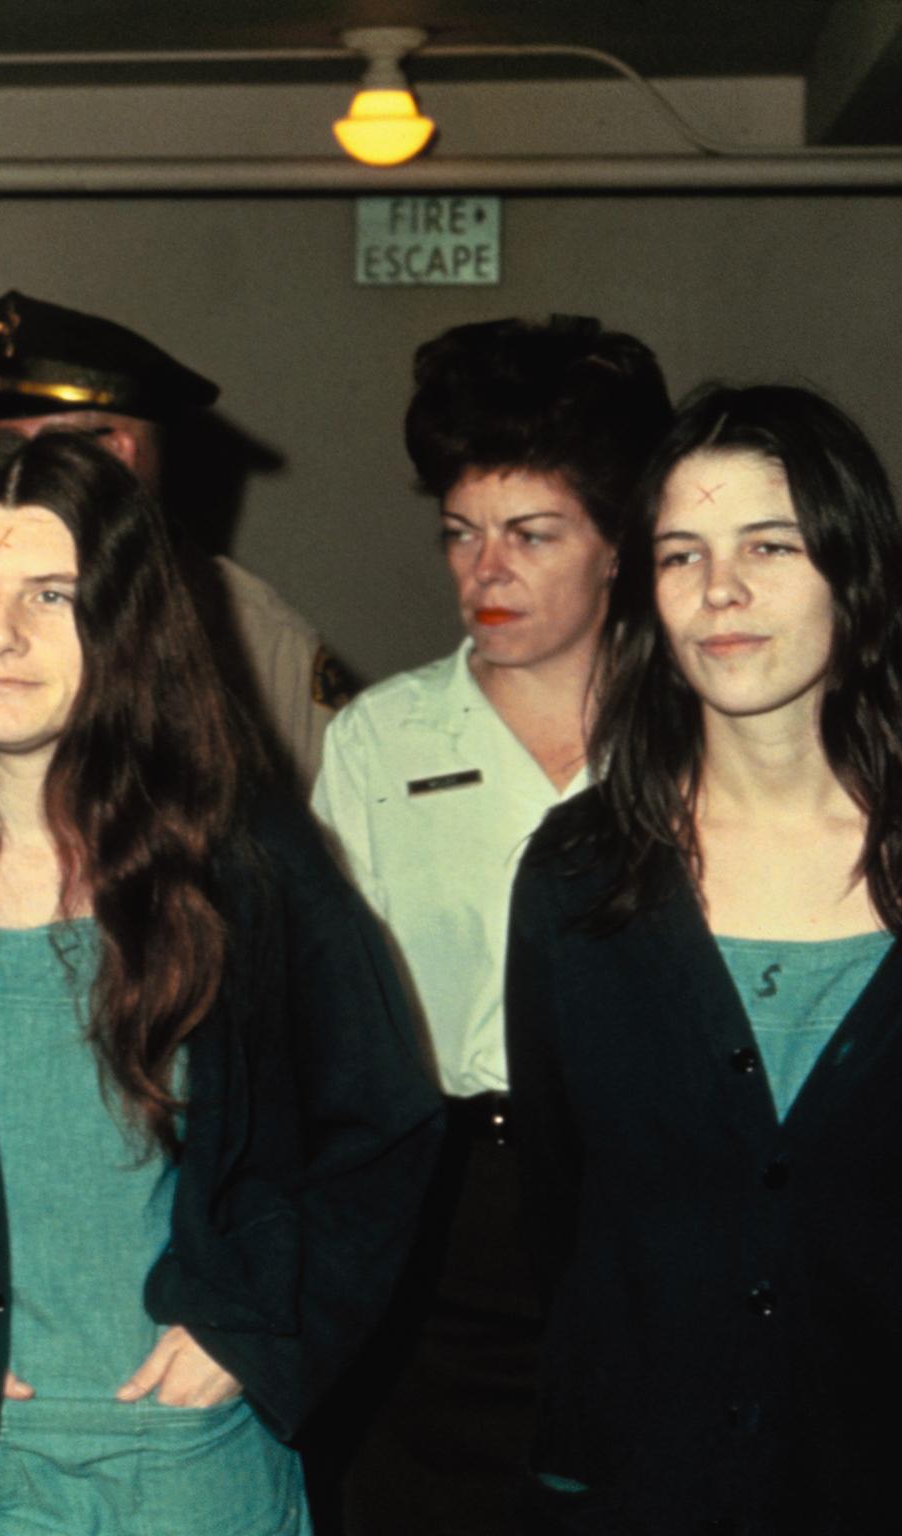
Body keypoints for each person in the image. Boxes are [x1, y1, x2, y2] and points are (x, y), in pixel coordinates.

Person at [0, 430, 442, 1536]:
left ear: (122, 619)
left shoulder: (237, 856)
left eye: (51, 594)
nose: (0, 634)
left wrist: (254, 1325)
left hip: (184, 1460)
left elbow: (376, 1122)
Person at [506, 385, 902, 1534]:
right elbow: (558, 1206)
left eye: (768, 547)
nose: (719, 593)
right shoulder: (575, 874)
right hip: (638, 1490)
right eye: (679, 555)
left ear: (853, 569)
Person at [306, 316, 671, 1533]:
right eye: (461, 535)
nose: (484, 571)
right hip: (445, 1201)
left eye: (530, 535)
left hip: (652, 1185)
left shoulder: (695, 738)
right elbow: (325, 1015)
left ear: (617, 546)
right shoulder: (382, 740)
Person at [0, 290, 350, 791]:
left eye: (50, 452)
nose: (17, 476)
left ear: (120, 453)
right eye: (0, 448)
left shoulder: (253, 638)